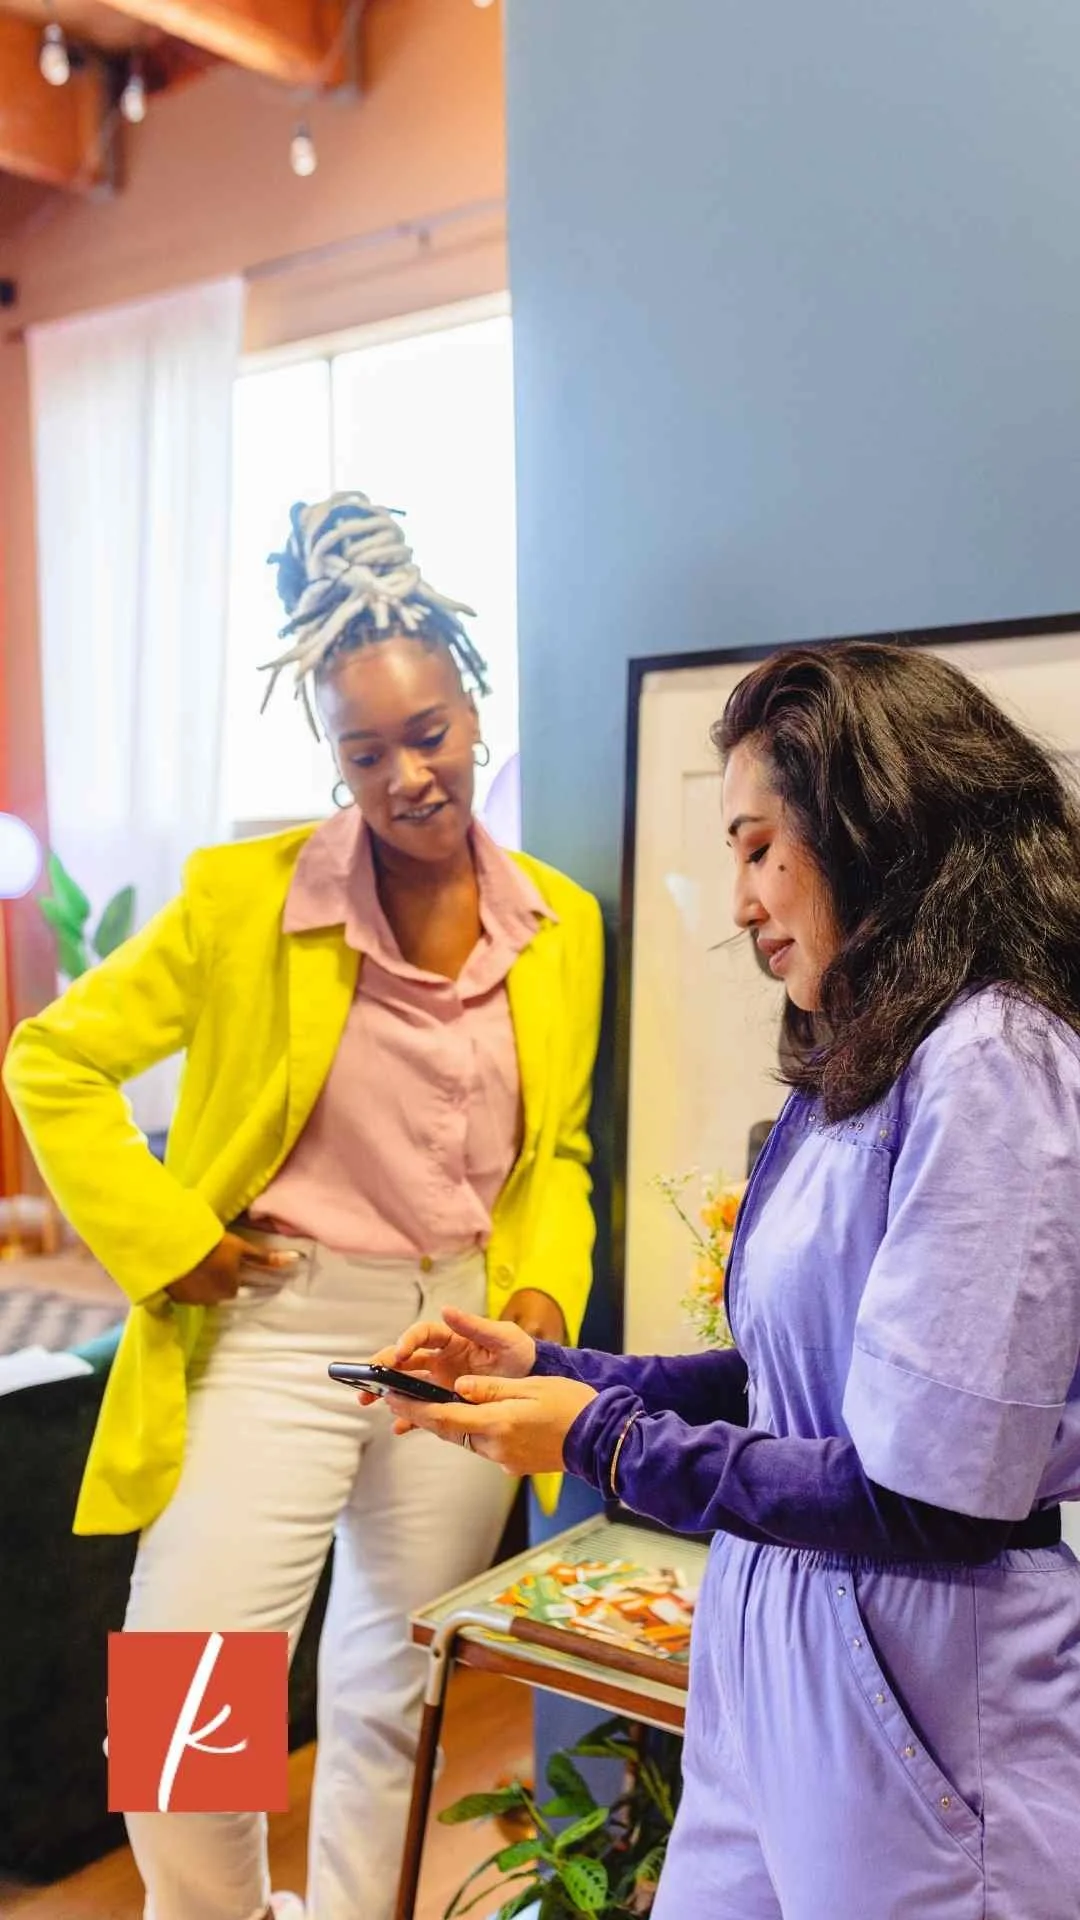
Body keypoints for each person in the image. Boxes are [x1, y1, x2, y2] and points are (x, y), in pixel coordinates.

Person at [373, 640, 1080, 1920]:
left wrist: (600, 1428)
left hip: (910, 1662)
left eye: (761, 849)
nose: (741, 899)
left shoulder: (987, 1058)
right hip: (776, 1631)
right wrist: (562, 1372)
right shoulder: (860, 1054)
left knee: (368, 1688)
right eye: (737, 855)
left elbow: (927, 1485)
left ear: (869, 824)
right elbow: (794, 1375)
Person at [3, 492, 604, 1920]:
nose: (408, 774)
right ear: (331, 757)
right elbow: (53, 1056)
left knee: (394, 1687)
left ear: (472, 712)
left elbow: (558, 1152)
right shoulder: (242, 902)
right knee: (182, 1709)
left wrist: (537, 1304)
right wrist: (168, 1240)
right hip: (275, 1326)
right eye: (367, 749)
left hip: (457, 1342)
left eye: (431, 732)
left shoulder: (563, 922)